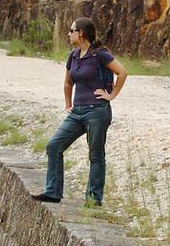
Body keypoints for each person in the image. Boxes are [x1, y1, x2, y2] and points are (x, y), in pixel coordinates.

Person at [33, 17, 127, 206]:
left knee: (95, 154)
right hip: (77, 112)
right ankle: (53, 192)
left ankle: (93, 199)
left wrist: (112, 95)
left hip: (97, 111)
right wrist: (68, 103)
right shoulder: (74, 55)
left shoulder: (100, 54)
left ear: (81, 33)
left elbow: (122, 72)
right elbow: (68, 82)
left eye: (71, 30)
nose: (68, 34)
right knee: (54, 145)